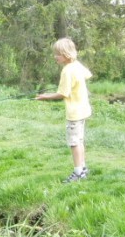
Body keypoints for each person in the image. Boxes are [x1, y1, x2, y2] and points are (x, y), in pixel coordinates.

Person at [36, 38, 92, 183]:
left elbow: (62, 94)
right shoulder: (77, 65)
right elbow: (87, 75)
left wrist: (45, 97)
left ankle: (78, 172)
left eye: (58, 54)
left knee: (74, 142)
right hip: (83, 109)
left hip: (74, 113)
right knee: (79, 140)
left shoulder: (67, 71)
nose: (56, 57)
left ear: (67, 54)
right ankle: (83, 169)